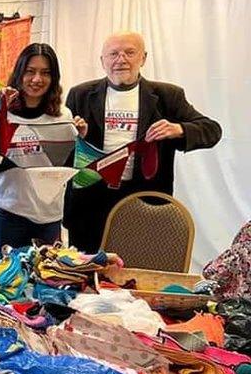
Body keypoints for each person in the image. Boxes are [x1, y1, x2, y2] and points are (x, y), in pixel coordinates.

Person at [64, 31, 222, 252]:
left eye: (129, 52)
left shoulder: (168, 96)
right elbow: (64, 150)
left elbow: (212, 130)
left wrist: (179, 129)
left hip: (143, 199)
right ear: (103, 61)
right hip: (91, 200)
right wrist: (75, 135)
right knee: (84, 274)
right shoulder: (80, 94)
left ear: (143, 58)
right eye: (113, 54)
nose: (121, 60)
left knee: (135, 270)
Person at [0, 43, 84, 260]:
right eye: (30, 71)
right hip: (8, 213)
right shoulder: (2, 113)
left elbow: (74, 167)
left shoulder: (63, 117)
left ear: (54, 78)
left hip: (49, 217)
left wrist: (83, 137)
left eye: (45, 73)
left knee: (47, 283)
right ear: (19, 73)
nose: (37, 79)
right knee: (8, 285)